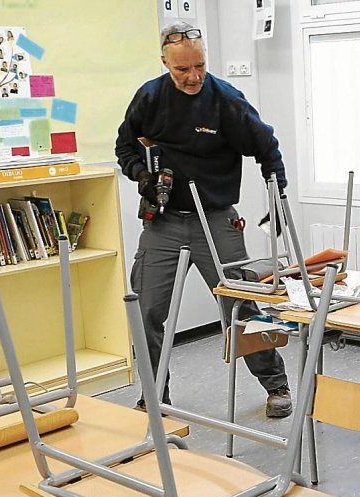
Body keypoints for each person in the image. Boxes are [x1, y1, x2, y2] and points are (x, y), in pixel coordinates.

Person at [115, 20, 292, 418]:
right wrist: (141, 175)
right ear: (165, 62)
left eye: (199, 66)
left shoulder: (226, 100)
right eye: (182, 69)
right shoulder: (150, 98)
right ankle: (154, 394)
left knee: (242, 305)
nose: (193, 76)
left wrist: (276, 194)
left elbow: (268, 147)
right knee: (146, 310)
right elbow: (124, 146)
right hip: (163, 222)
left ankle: (276, 385)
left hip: (216, 220)